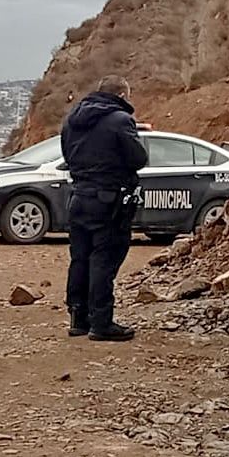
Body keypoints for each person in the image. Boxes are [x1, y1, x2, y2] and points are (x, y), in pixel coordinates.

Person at [61, 75, 148, 341]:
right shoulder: (121, 120)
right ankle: (101, 322)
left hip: (78, 196)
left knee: (80, 258)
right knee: (103, 259)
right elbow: (138, 159)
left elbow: (67, 154)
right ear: (121, 95)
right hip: (108, 199)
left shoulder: (72, 121)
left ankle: (79, 318)